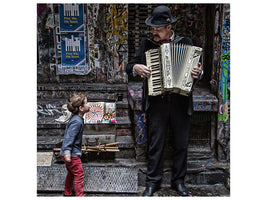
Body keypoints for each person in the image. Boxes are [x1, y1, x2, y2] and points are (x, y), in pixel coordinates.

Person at [126, 5, 203, 196]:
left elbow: (198, 71)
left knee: (181, 144)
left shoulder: (186, 42)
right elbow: (129, 66)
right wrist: (136, 67)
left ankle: (179, 182)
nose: (154, 33)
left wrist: (198, 72)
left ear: (169, 28)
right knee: (156, 143)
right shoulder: (147, 45)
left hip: (180, 101)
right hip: (157, 101)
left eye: (157, 29)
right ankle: (153, 183)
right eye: (152, 28)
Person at [60, 92, 90, 197]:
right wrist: (67, 152)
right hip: (72, 154)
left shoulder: (77, 118)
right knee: (79, 174)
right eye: (86, 103)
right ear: (81, 108)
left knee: (71, 173)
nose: (89, 105)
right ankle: (79, 195)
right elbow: (69, 137)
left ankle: (67, 193)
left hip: (69, 153)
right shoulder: (77, 121)